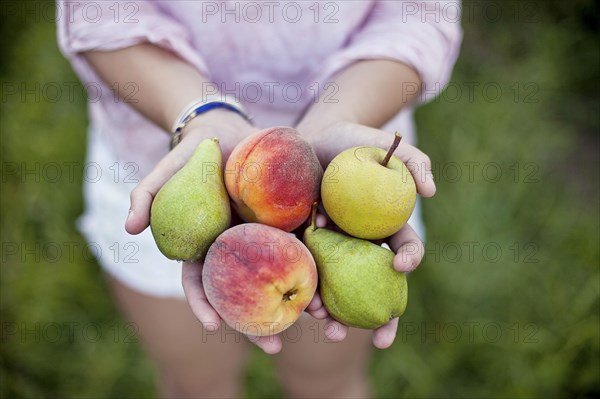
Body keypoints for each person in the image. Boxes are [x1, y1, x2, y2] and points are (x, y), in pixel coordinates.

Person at [57, 1, 462, 397]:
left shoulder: (365, 193)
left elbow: (418, 14)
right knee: (195, 385)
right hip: (161, 166)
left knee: (327, 386)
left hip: (353, 176)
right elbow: (100, 13)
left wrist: (336, 118)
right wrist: (200, 113)